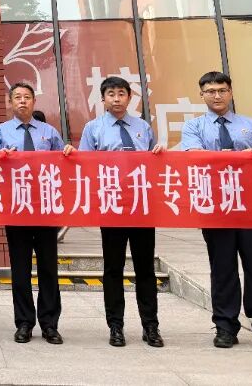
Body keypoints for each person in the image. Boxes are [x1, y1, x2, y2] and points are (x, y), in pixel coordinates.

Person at [181, 71, 252, 352]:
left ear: (230, 93)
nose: (217, 96)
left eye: (222, 90)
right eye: (211, 91)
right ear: (201, 95)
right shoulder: (194, 127)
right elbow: (194, 156)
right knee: (222, 268)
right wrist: (237, 156)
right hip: (216, 209)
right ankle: (225, 327)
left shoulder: (251, 126)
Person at [66, 75, 164, 348]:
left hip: (141, 207)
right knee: (113, 268)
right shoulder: (93, 129)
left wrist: (160, 153)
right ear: (103, 99)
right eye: (111, 94)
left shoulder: (143, 127)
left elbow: (155, 165)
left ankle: (150, 326)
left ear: (129, 98)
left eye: (122, 93)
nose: (117, 99)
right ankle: (116, 326)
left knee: (145, 269)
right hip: (111, 207)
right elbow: (85, 166)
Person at [0, 81, 67, 344]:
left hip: (45, 210)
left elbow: (63, 167)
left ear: (34, 102)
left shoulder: (49, 132)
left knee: (48, 269)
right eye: (17, 97)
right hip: (17, 209)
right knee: (20, 269)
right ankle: (24, 323)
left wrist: (68, 153)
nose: (22, 101)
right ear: (10, 102)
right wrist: (1, 157)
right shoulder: (1, 132)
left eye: (27, 97)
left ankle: (50, 324)